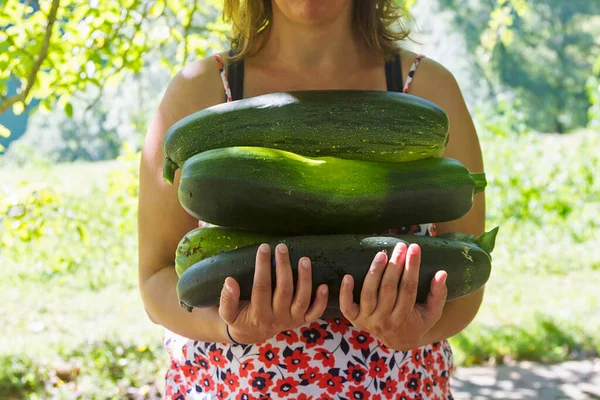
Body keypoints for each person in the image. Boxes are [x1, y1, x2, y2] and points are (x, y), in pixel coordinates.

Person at [138, 1, 486, 398]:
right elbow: (156, 280)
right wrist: (229, 326)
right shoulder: (200, 90)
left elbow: (467, 272)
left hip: (392, 386)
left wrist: (418, 329)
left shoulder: (427, 90)